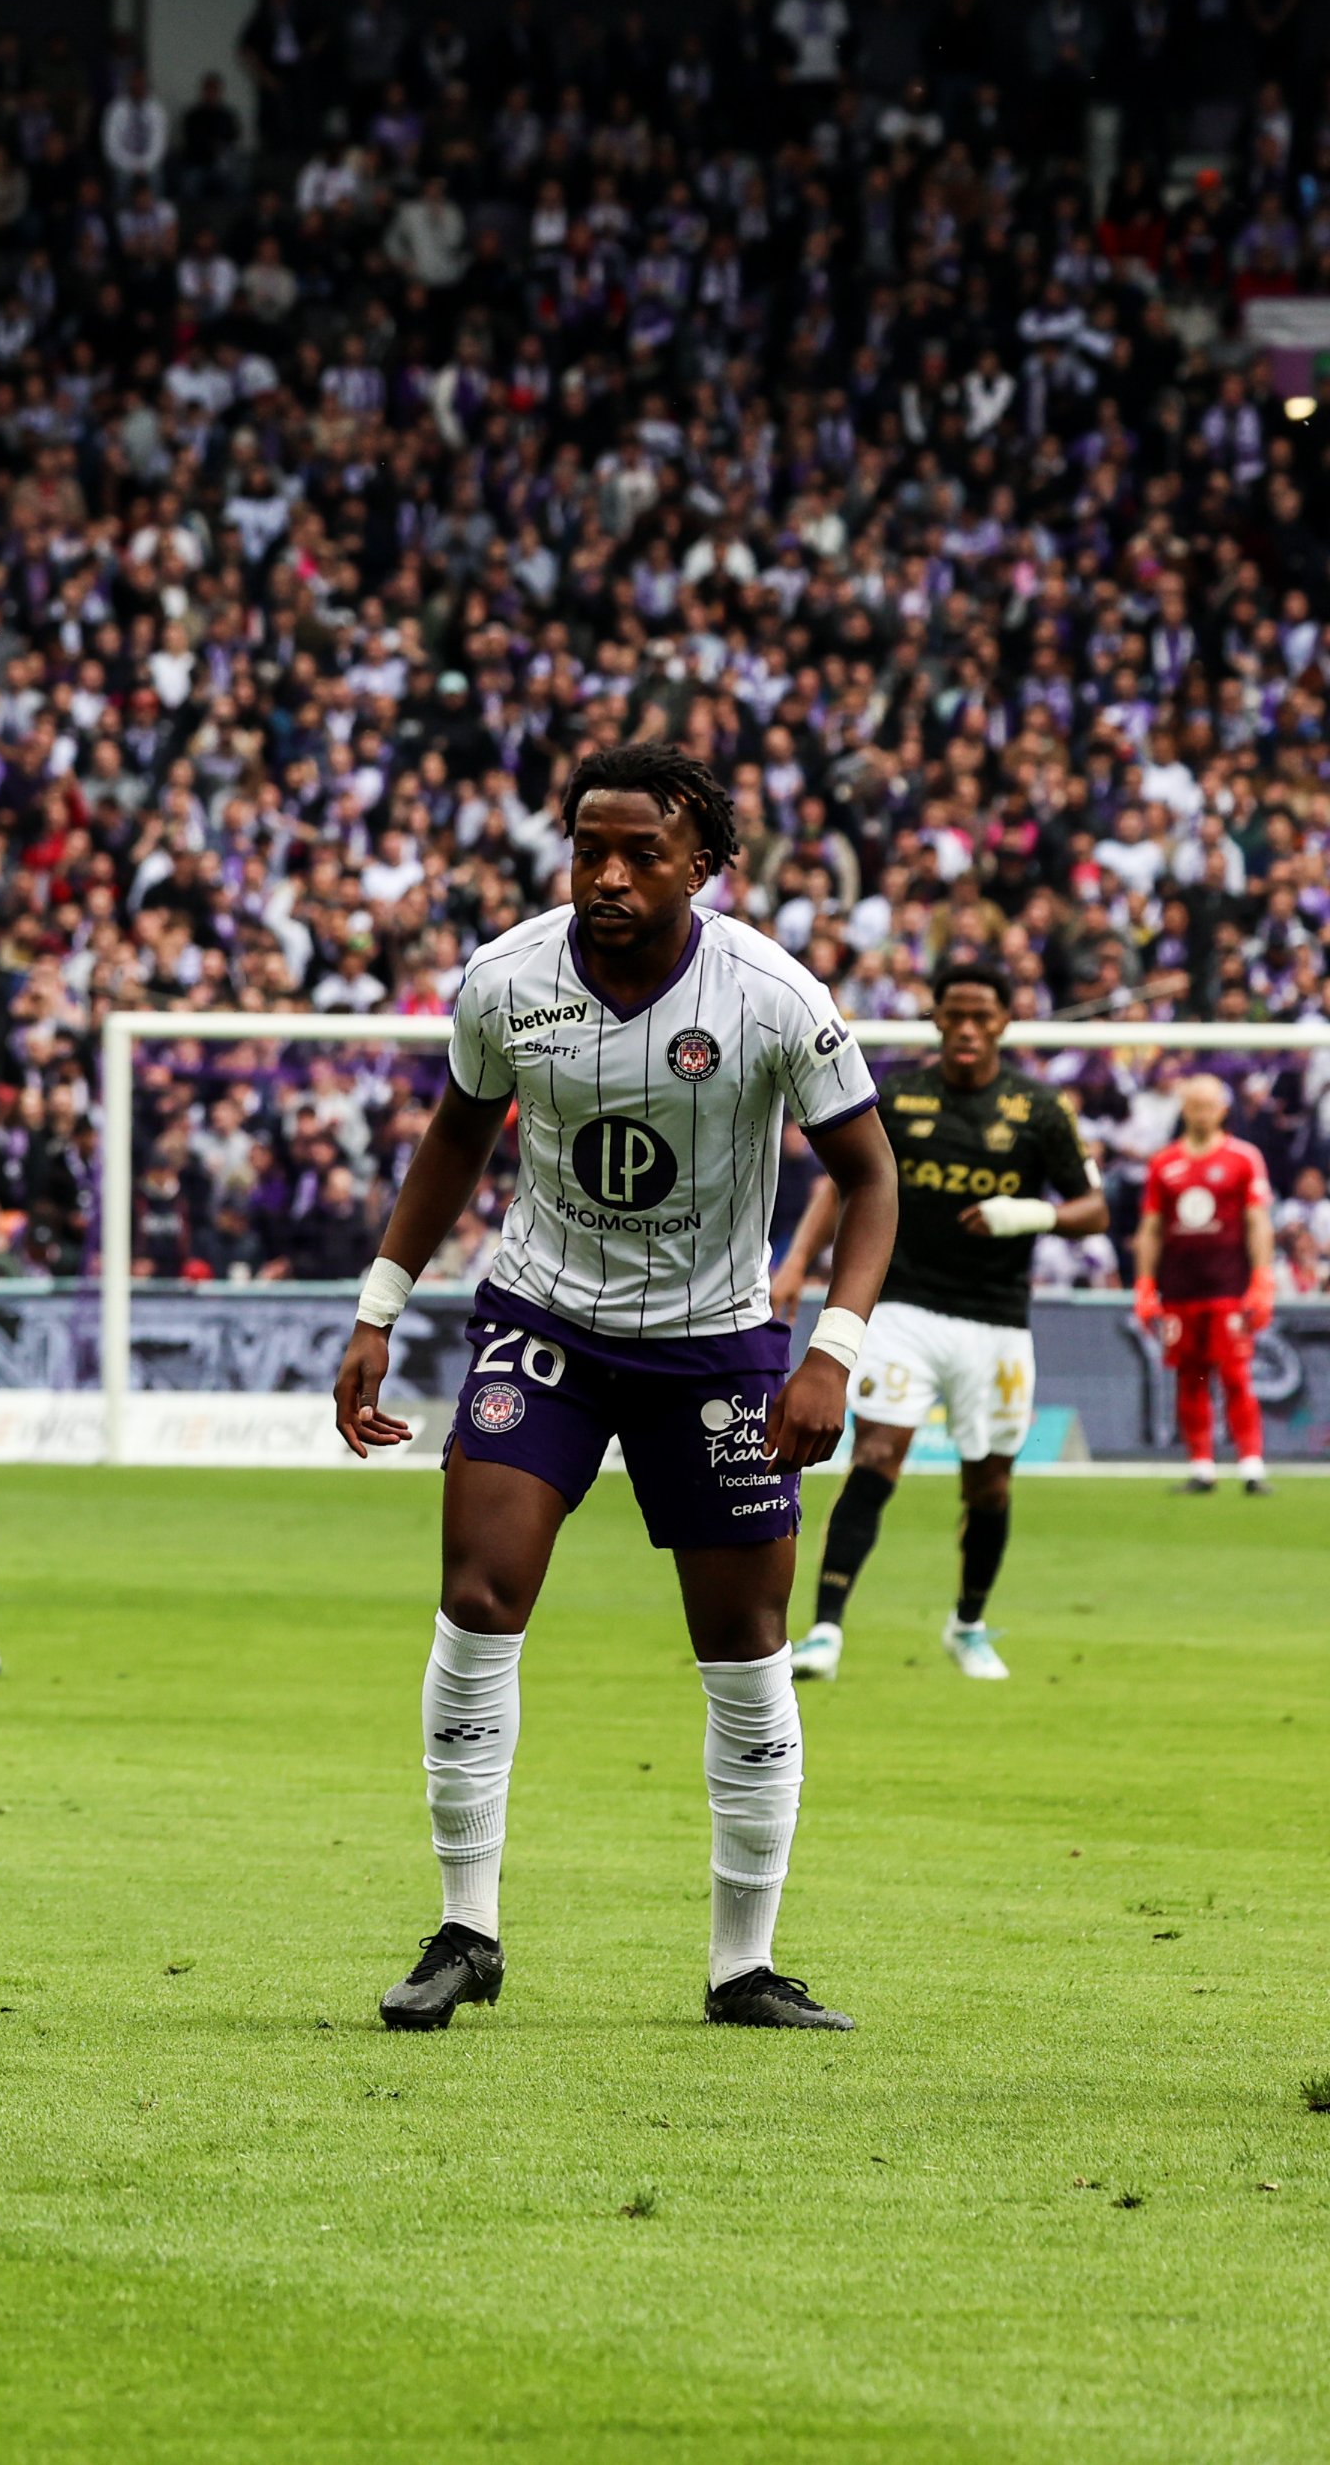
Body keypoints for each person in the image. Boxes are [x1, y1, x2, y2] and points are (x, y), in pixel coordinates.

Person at [329, 744, 896, 2036]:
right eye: (590, 845)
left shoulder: (770, 994)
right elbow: (457, 1138)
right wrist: (378, 1304)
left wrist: (831, 1349)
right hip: (547, 1322)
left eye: (643, 850)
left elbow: (870, 1176)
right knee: (478, 1593)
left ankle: (741, 1963)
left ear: (704, 860)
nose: (610, 872)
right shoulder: (506, 978)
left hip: (714, 1342)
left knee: (745, 1645)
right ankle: (465, 1928)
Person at [767, 966, 1104, 1682]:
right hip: (903, 1306)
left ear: (1005, 1023)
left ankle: (969, 1624)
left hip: (997, 1321)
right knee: (877, 1454)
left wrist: (1032, 1212)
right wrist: (796, 1261)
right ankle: (826, 1628)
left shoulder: (1040, 1109)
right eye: (956, 1016)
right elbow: (843, 1184)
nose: (968, 1029)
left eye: (982, 1016)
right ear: (938, 1019)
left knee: (989, 1484)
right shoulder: (900, 1096)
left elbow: (1094, 1210)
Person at [1136, 1074, 1278, 1494]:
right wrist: (1145, 1284)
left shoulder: (1243, 1158)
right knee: (1190, 1378)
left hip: (1228, 1287)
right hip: (1179, 1289)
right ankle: (1202, 1466)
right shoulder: (1163, 1163)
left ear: (1222, 1109)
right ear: (1184, 1110)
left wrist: (1262, 1278)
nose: (1201, 1113)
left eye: (1208, 1105)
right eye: (1194, 1105)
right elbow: (1151, 1228)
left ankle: (1251, 1465)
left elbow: (1258, 1222)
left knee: (1236, 1376)